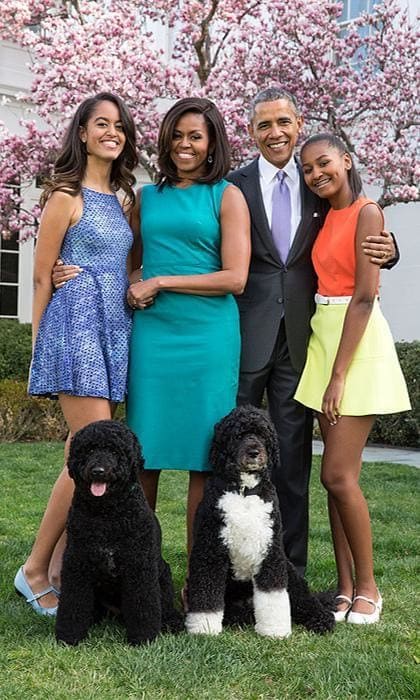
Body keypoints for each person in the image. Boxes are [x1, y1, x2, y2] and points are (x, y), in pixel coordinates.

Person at [227, 87, 398, 575]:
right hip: (245, 334)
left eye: (283, 122)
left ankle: (290, 573)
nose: (275, 133)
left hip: (305, 342)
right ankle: (232, 567)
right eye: (264, 125)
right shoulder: (234, 185)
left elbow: (358, 226)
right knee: (230, 455)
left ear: (298, 124)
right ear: (252, 132)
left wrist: (391, 248)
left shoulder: (317, 180)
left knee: (293, 462)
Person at [14, 92, 138, 615]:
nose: (111, 132)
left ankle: (62, 567)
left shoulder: (126, 199)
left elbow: (126, 264)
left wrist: (137, 282)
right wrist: (41, 346)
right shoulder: (64, 195)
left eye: (119, 125)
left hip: (115, 326)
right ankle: (36, 569)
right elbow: (42, 275)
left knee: (81, 451)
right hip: (75, 326)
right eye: (100, 124)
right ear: (82, 133)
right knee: (86, 451)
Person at [125, 97, 250, 585]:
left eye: (195, 136)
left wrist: (160, 282)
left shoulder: (227, 195)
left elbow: (235, 277)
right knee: (142, 455)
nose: (184, 144)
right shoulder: (146, 197)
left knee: (205, 460)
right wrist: (133, 284)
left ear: (212, 141)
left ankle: (200, 584)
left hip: (208, 337)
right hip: (154, 338)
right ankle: (139, 579)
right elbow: (130, 263)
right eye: (177, 134)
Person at [294, 133, 410, 623]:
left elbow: (364, 297)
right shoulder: (323, 215)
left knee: (336, 475)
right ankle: (343, 588)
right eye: (307, 169)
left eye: (324, 164)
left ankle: (368, 587)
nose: (316, 174)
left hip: (355, 341)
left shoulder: (367, 211)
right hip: (324, 335)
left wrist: (338, 376)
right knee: (336, 480)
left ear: (346, 159)